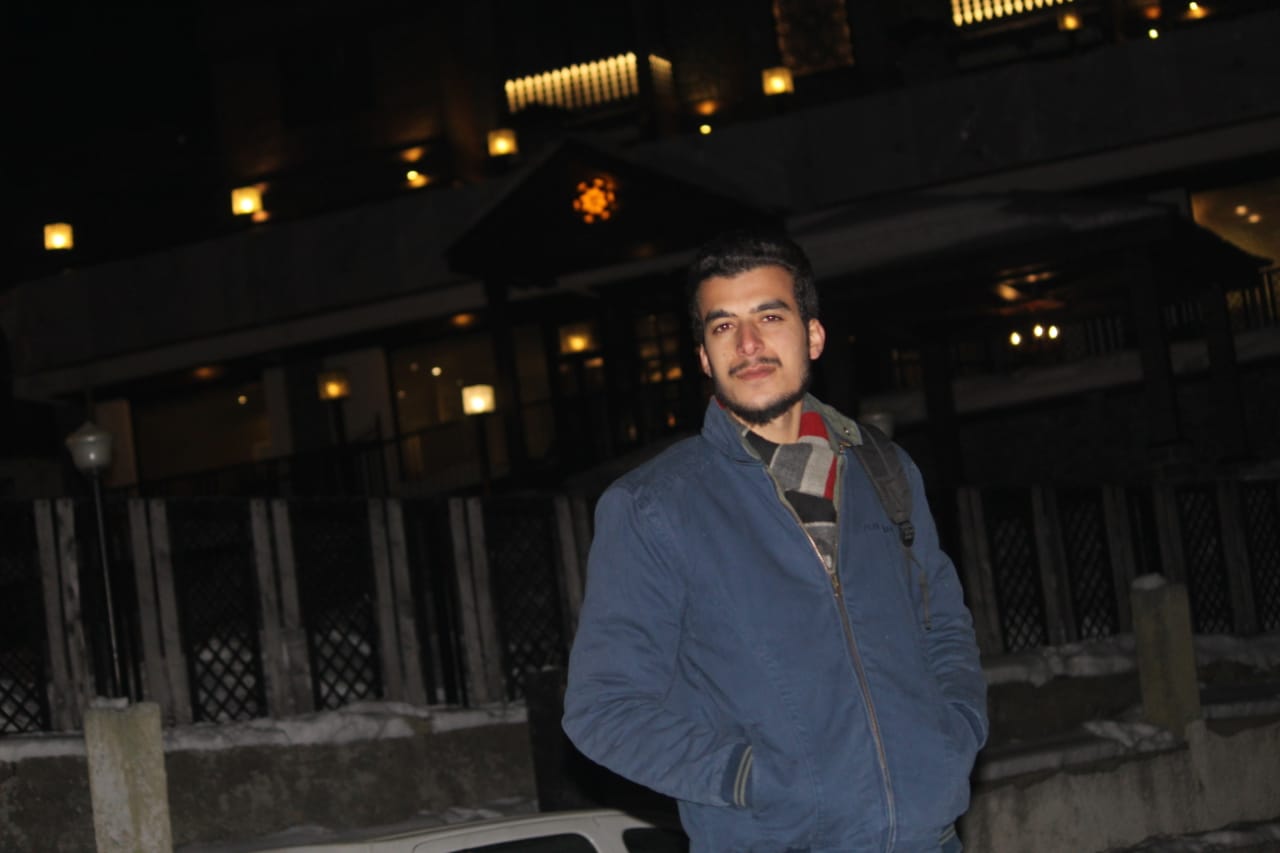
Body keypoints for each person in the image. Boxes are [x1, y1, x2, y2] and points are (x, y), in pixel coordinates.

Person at [561, 229, 988, 852]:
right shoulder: (654, 507)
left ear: (812, 335)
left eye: (769, 316)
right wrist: (750, 779)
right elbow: (602, 710)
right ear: (703, 357)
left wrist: (954, 734)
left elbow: (942, 624)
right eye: (723, 326)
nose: (748, 344)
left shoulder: (884, 471)